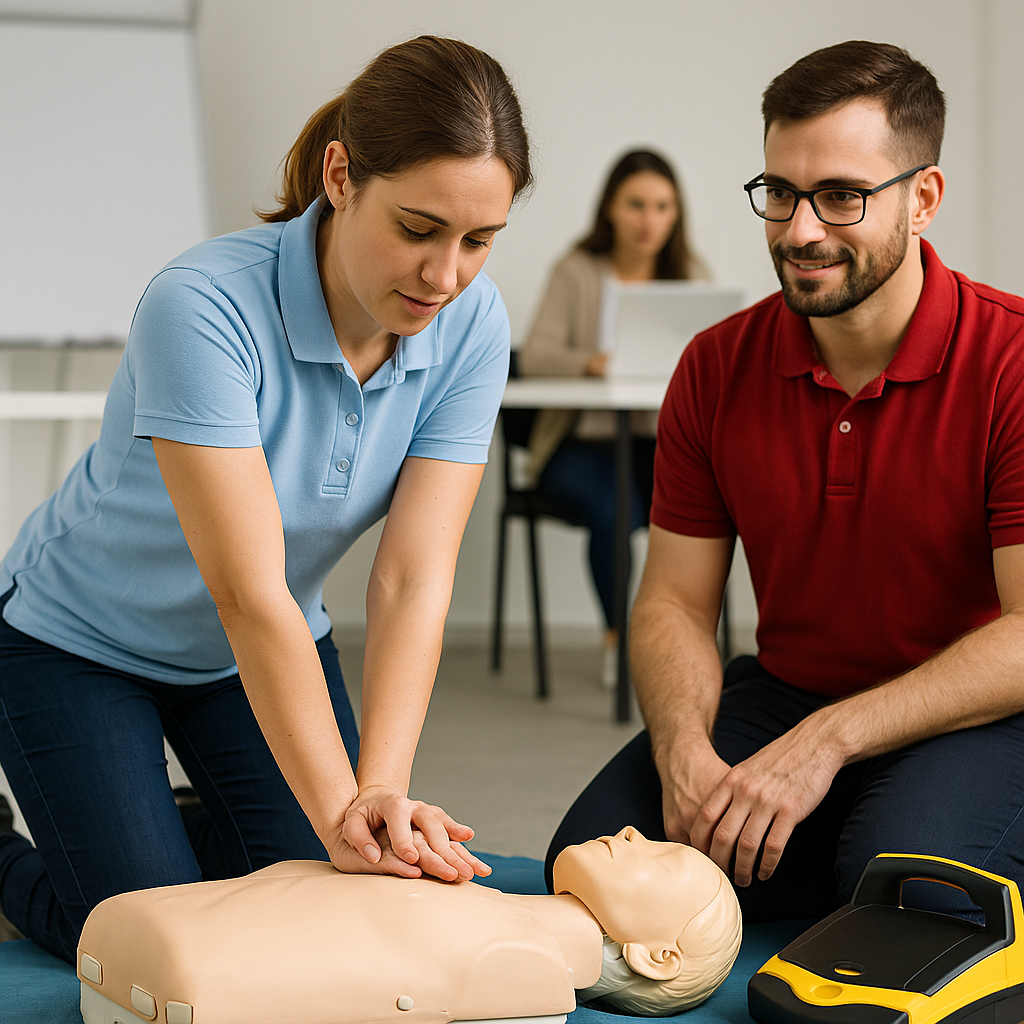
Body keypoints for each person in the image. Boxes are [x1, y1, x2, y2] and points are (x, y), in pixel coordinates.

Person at [0, 35, 532, 965]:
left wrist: (380, 799)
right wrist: (340, 811)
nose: (445, 277)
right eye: (417, 228)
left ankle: (158, 814)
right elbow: (247, 593)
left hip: (255, 653)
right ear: (340, 175)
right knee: (152, 939)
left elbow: (412, 579)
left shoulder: (472, 324)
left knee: (329, 903)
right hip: (73, 645)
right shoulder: (203, 305)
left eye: (477, 241)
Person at [545, 40, 1024, 922]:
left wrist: (827, 744)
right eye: (781, 193)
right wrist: (682, 751)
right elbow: (673, 605)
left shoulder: (1012, 358)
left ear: (924, 199)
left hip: (972, 713)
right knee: (592, 876)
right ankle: (837, 851)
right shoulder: (715, 365)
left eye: (843, 196)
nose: (801, 230)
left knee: (905, 901)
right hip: (789, 691)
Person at [77, 828, 741, 1022]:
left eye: (663, 857)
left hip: (199, 961)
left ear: (657, 957)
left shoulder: (524, 964)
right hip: (210, 922)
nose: (632, 832)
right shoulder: (494, 910)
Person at [517, 150, 705, 686]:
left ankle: (687, 645)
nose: (649, 220)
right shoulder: (576, 272)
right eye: (637, 205)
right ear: (611, 210)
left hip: (658, 446)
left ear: (676, 215)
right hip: (578, 446)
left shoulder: (690, 278)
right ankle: (620, 642)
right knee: (614, 506)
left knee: (710, 502)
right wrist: (592, 364)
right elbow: (536, 357)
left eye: (662, 207)